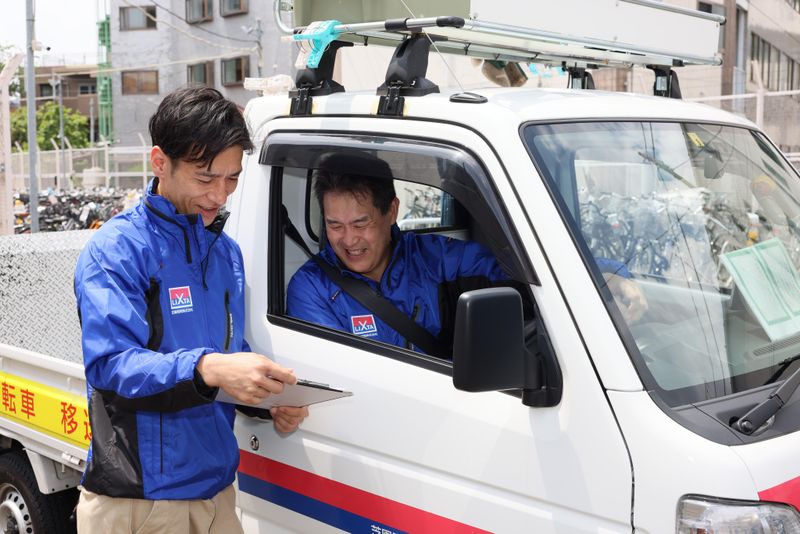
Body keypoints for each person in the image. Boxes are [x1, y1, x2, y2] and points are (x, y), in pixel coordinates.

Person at [73, 86, 308, 534]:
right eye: (205, 178)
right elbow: (111, 364)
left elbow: (226, 357)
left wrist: (266, 400)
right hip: (141, 503)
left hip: (218, 494)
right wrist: (211, 367)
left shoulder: (226, 254)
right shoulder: (118, 250)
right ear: (160, 162)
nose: (220, 195)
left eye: (232, 178)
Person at [287, 163, 647, 355]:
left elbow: (517, 267)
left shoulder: (429, 258)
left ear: (391, 211)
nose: (348, 240)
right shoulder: (312, 288)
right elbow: (338, 374)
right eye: (335, 225)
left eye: (361, 223)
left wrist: (607, 275)